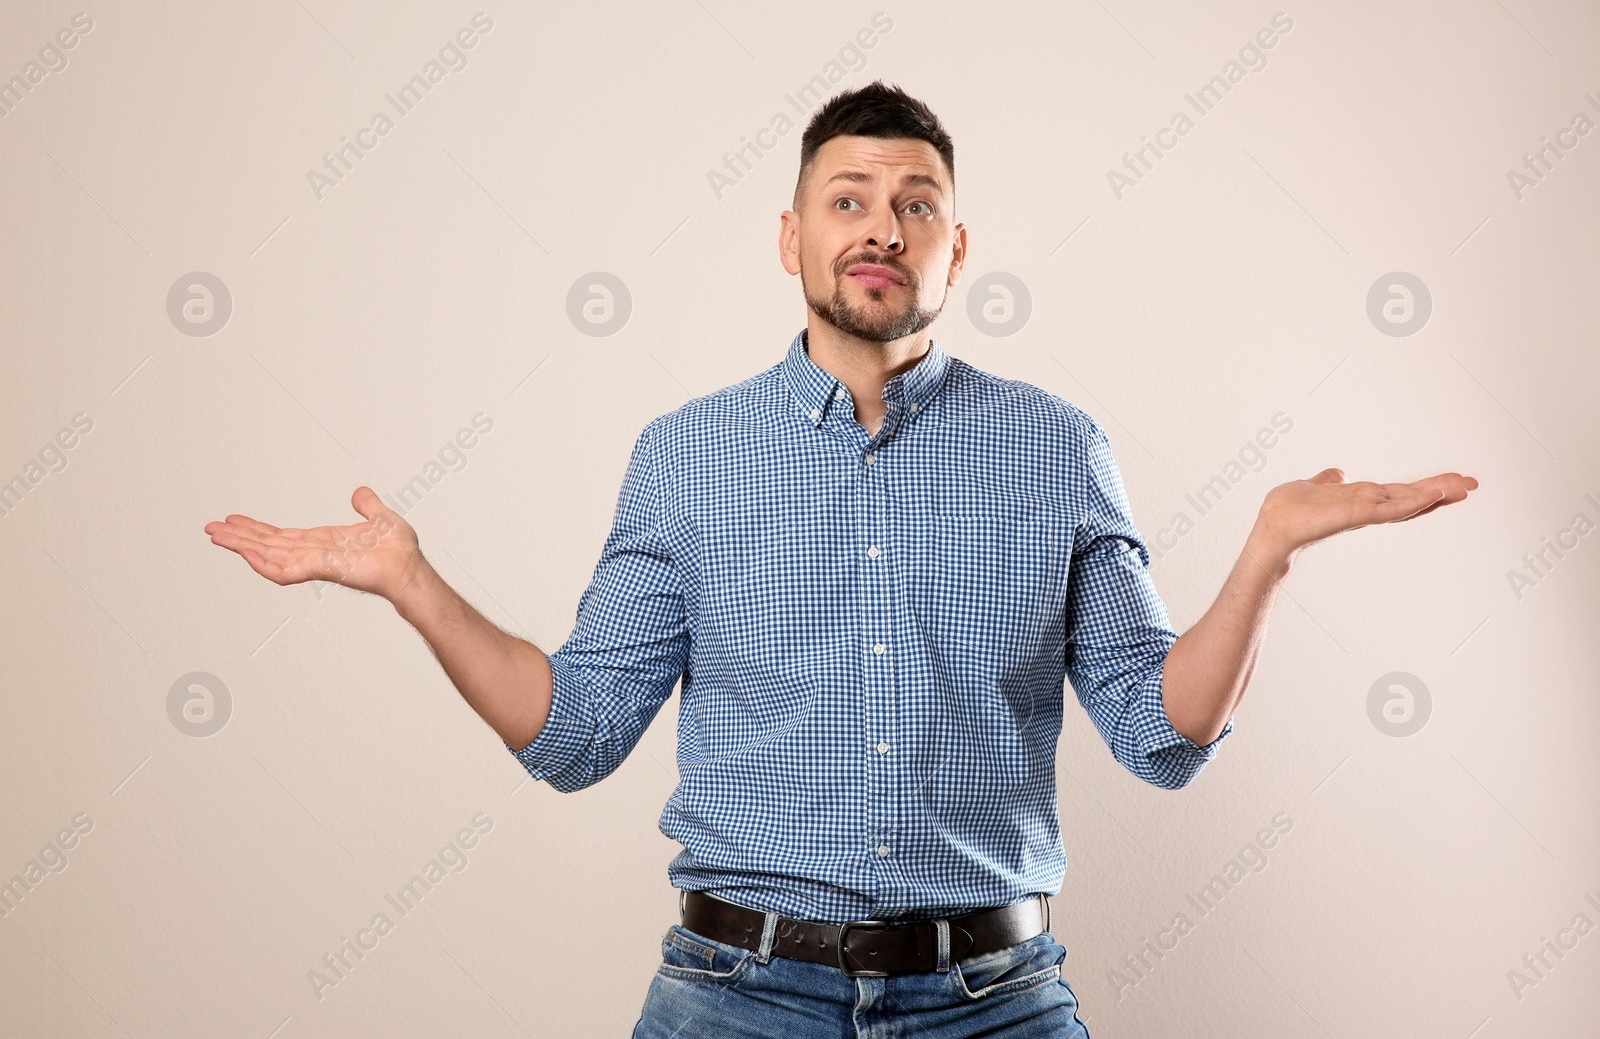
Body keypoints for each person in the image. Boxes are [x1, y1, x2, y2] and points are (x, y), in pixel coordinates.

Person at [205, 81, 1478, 1036]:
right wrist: (415, 586)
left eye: (916, 204)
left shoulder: (1055, 446)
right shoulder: (686, 454)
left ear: (955, 248)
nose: (882, 227)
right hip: (736, 995)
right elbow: (576, 732)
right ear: (792, 235)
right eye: (850, 200)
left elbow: (1159, 731)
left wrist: (1262, 556)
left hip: (996, 998)